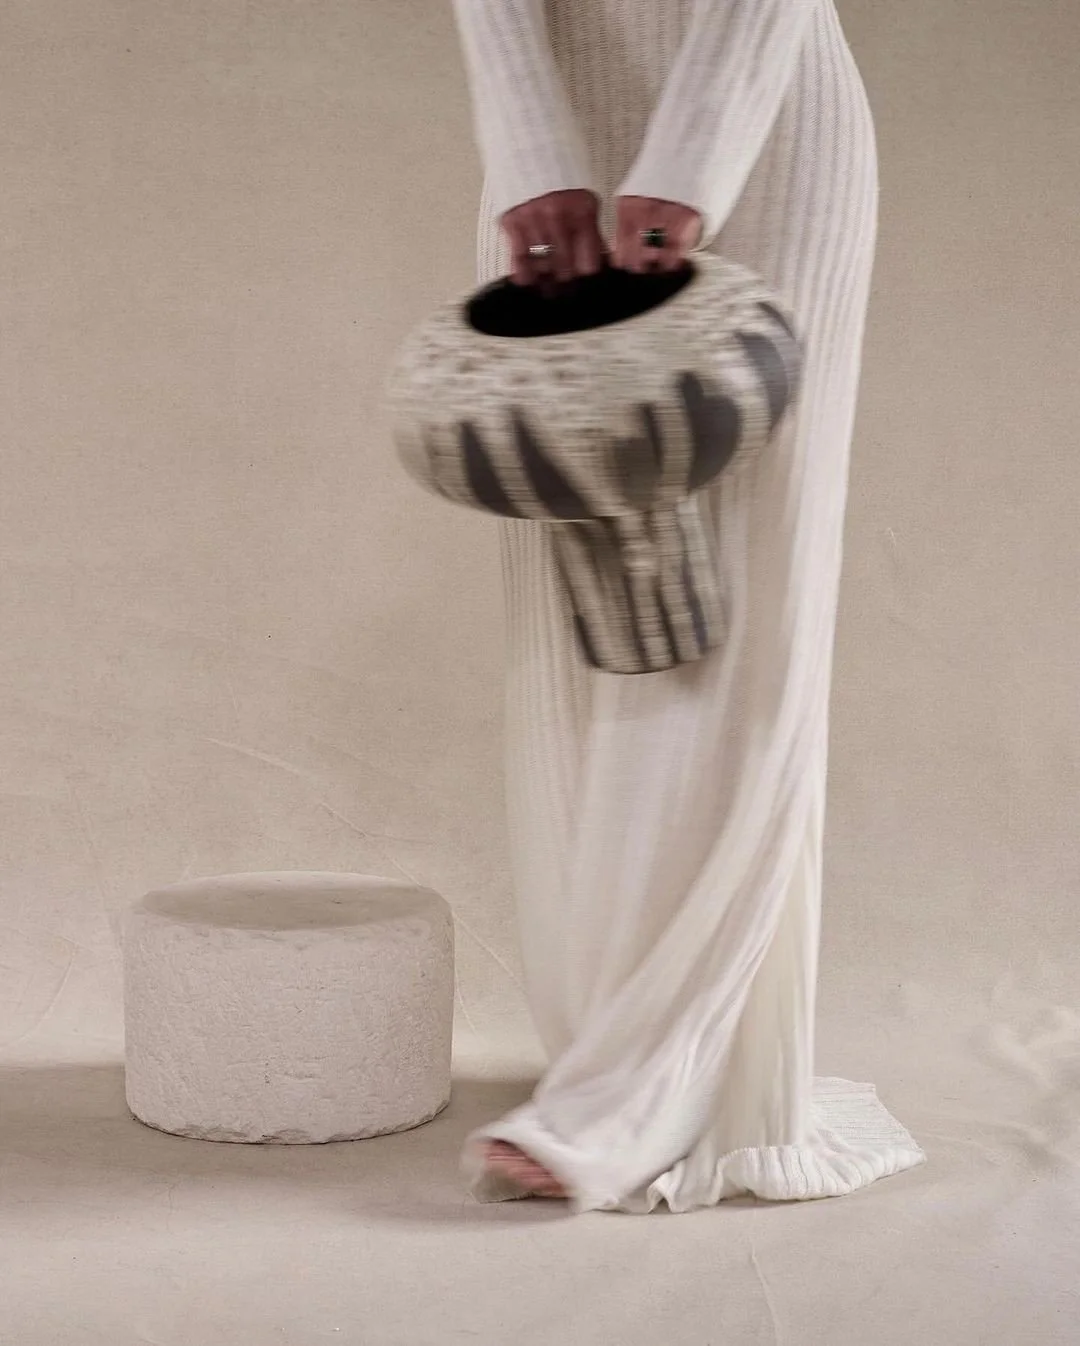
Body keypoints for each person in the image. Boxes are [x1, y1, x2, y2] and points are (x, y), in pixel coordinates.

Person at [449, 0, 925, 1213]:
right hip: (561, 120)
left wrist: (691, 155)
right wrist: (534, 148)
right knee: (584, 602)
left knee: (739, 601)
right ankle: (611, 1031)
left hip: (758, 117)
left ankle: (646, 1084)